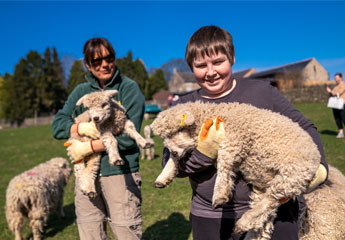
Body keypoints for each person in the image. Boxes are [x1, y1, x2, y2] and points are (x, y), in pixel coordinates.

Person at [162, 25, 328, 240]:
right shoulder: (184, 106)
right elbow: (170, 162)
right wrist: (204, 154)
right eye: (201, 65)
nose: (210, 72)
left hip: (275, 210)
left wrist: (320, 169)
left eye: (218, 62)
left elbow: (306, 127)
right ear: (191, 67)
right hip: (211, 216)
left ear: (232, 58)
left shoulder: (262, 92)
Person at [52, 37, 145, 240]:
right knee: (90, 234)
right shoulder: (81, 92)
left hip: (120, 174)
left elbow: (129, 139)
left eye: (109, 58)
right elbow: (58, 125)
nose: (105, 64)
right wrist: (79, 126)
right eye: (97, 61)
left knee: (126, 232)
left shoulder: (128, 89)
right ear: (88, 64)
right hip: (87, 177)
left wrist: (89, 147)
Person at [326, 73, 345, 138]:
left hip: (342, 104)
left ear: (341, 78)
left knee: (343, 118)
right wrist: (330, 92)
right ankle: (341, 133)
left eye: (336, 78)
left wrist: (331, 91)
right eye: (335, 78)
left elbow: (339, 93)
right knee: (337, 119)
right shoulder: (335, 86)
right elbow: (332, 94)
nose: (335, 79)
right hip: (335, 105)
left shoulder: (343, 85)